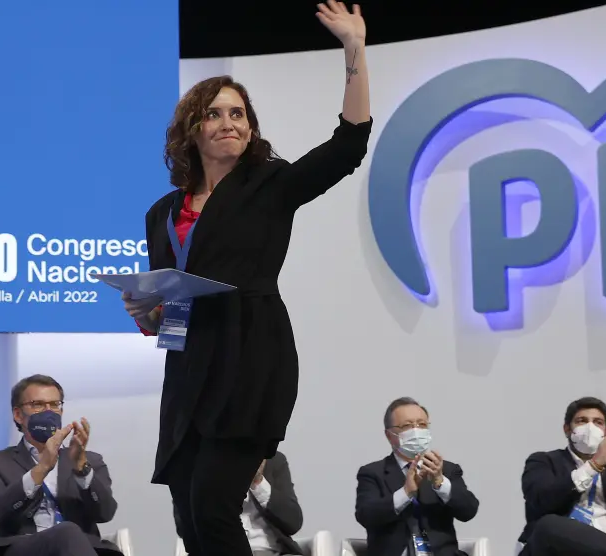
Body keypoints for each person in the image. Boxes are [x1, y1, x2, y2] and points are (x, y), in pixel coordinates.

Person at [121, 2, 371, 554]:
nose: (228, 122)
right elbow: (167, 316)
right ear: (192, 129)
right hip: (189, 373)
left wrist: (354, 49)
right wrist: (148, 313)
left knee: (213, 509)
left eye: (238, 113)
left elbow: (349, 144)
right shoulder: (161, 213)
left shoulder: (269, 185)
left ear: (250, 126)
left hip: (250, 359)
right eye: (214, 114)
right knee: (190, 519)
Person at [0, 375, 120, 556]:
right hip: (23, 549)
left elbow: (105, 513)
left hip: (79, 548)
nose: (48, 411)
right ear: (18, 415)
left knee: (69, 533)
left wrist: (81, 469)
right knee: (66, 532)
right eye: (38, 405)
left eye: (54, 404)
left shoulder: (89, 460)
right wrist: (41, 469)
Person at [517, 397, 606, 556]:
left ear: (605, 431)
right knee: (548, 525)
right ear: (567, 429)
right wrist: (592, 467)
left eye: (598, 422)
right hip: (560, 550)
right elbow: (541, 501)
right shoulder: (543, 461)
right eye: (582, 421)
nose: (590, 427)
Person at [355, 397, 479, 556]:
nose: (416, 431)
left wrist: (440, 483)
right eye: (407, 426)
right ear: (389, 435)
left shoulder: (447, 470)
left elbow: (468, 511)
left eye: (422, 424)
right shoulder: (372, 473)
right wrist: (405, 493)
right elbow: (365, 516)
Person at [174, 451, 305, 556]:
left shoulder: (273, 460)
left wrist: (258, 482)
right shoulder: (194, 463)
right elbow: (183, 527)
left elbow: (293, 523)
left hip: (270, 551)